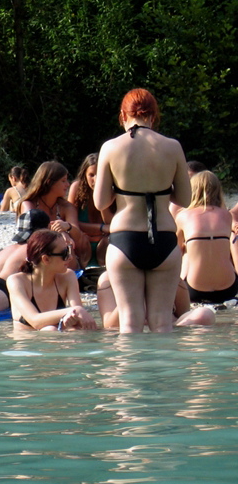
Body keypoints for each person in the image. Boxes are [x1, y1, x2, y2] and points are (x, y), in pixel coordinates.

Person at [94, 88, 191, 333]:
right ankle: (163, 372)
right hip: (164, 239)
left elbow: (100, 202)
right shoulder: (172, 146)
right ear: (153, 115)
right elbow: (186, 199)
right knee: (162, 322)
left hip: (125, 239)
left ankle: (131, 372)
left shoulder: (111, 147)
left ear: (122, 116)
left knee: (129, 322)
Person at [8, 229, 96, 331]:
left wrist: (69, 320)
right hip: (28, 343)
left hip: (55, 339)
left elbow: (79, 317)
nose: (70, 257)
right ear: (46, 259)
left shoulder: (68, 276)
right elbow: (35, 320)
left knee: (77, 330)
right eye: (64, 253)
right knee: (50, 330)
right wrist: (72, 311)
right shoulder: (17, 281)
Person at [175, 171, 238, 304]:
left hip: (195, 289)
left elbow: (175, 253)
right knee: (226, 240)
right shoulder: (227, 216)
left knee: (185, 249)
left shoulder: (183, 216)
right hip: (229, 288)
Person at [18, 161, 89, 268]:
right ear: (49, 182)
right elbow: (32, 234)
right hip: (36, 253)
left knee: (67, 247)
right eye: (63, 181)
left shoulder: (66, 207)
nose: (67, 184)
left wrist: (68, 227)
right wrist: (60, 234)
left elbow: (78, 237)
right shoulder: (29, 204)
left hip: (62, 254)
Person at [97, 271, 215, 328]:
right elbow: (109, 326)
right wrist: (135, 291)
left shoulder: (170, 274)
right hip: (129, 331)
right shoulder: (108, 279)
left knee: (204, 314)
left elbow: (183, 314)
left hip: (170, 328)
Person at [68, 154, 113, 267]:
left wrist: (102, 196)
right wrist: (102, 228)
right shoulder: (77, 188)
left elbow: (110, 223)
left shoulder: (114, 191)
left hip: (105, 244)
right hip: (82, 245)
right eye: (91, 175)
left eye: (99, 175)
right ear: (84, 175)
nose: (95, 179)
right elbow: (71, 224)